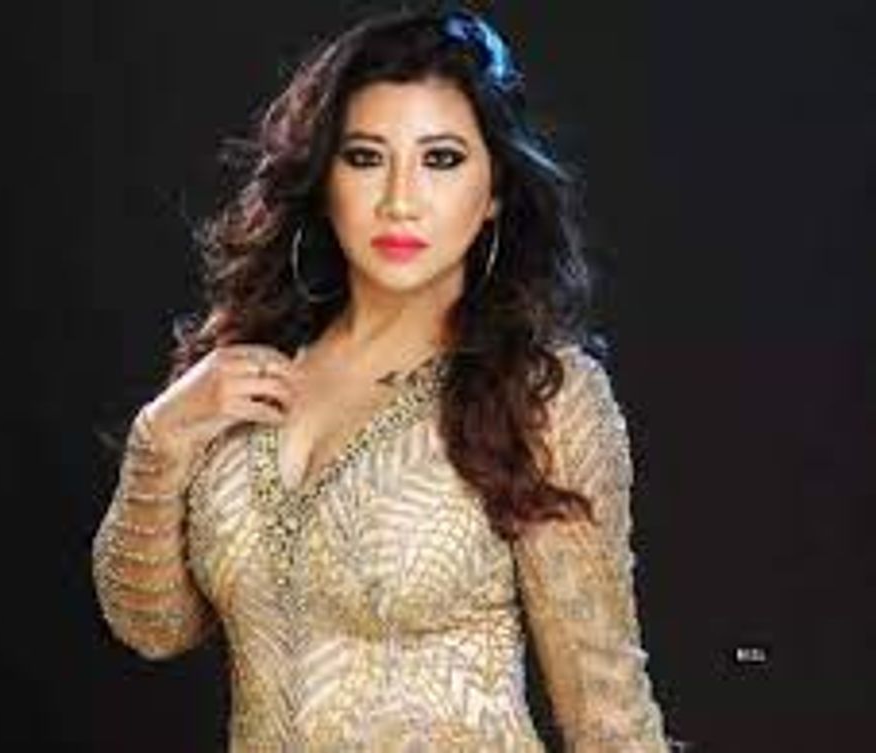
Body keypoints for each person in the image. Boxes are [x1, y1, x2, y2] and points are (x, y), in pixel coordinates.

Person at [92, 5, 671, 751]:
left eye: (441, 159)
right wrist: (159, 439)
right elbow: (153, 627)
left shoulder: (539, 397)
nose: (400, 199)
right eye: (366, 157)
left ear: (495, 189)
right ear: (324, 178)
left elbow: (609, 718)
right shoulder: (246, 372)